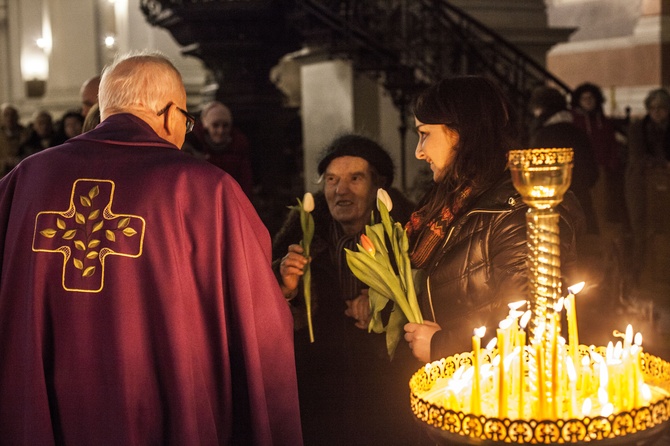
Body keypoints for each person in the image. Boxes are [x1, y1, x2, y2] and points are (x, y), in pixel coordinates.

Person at [0, 50, 302, 445]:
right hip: (155, 407)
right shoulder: (202, 188)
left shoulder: (27, 178)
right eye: (186, 120)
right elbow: (256, 318)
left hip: (47, 404)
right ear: (167, 113)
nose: (184, 131)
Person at [402, 76, 585, 364]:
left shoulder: (516, 211)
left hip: (492, 394)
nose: (418, 151)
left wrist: (442, 346)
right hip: (455, 384)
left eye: (424, 134)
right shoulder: (452, 200)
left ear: (460, 132)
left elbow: (534, 326)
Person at [272, 133, 417, 445]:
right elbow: (262, 299)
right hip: (322, 390)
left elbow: (427, 295)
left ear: (380, 187)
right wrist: (285, 285)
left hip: (390, 391)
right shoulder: (303, 232)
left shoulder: (409, 232)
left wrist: (385, 305)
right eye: (332, 179)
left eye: (355, 178)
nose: (341, 191)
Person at [529, 85, 599, 234]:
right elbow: (593, 173)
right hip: (581, 205)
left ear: (541, 109)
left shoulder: (542, 136)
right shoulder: (578, 133)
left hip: (552, 210)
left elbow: (534, 177)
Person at [625, 87, 670, 283]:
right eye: (654, 108)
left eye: (662, 108)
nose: (657, 112)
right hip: (641, 184)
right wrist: (662, 164)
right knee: (640, 227)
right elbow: (637, 156)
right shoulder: (639, 128)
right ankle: (639, 271)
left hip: (665, 184)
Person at [571, 82, 627, 228]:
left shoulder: (604, 122)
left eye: (591, 98)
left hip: (602, 170)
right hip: (581, 171)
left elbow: (612, 145)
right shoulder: (575, 122)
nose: (588, 101)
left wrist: (611, 164)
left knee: (602, 208)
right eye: (584, 98)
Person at [183, 101, 254, 197]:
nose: (221, 131)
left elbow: (245, 186)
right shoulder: (193, 147)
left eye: (225, 126)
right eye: (215, 125)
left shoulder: (239, 149)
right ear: (206, 126)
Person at [0, 103, 28, 176]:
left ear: (17, 117)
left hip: (21, 175)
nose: (9, 118)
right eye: (6, 115)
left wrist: (19, 160)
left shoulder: (26, 134)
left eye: (12, 115)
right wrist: (4, 162)